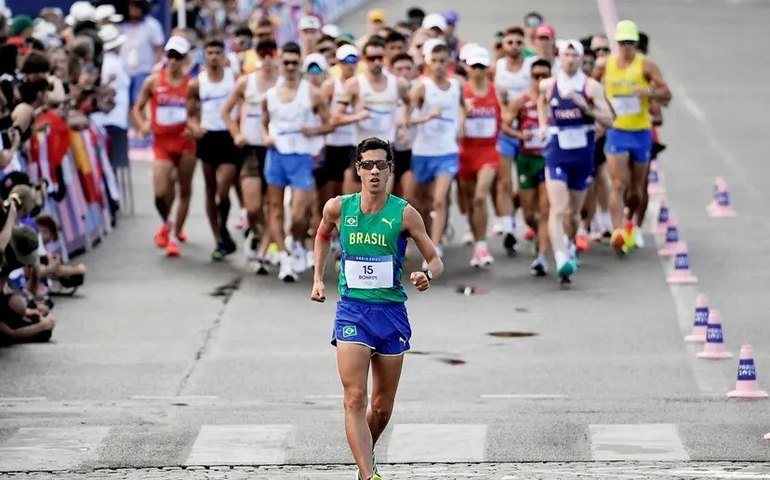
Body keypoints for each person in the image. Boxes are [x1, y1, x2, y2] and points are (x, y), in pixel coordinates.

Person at [311, 137, 443, 480]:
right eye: (367, 165)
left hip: (391, 313)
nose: (374, 172)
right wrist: (318, 278)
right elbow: (322, 235)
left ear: (390, 170)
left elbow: (435, 259)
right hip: (352, 311)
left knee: (381, 407)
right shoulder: (338, 208)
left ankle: (365, 456)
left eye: (380, 165)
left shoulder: (404, 213)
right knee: (354, 397)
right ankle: (368, 475)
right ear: (358, 169)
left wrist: (427, 275)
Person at [537, 40, 612, 286]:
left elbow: (610, 120)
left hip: (582, 156)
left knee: (573, 214)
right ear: (560, 58)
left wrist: (586, 108)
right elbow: (541, 101)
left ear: (581, 59)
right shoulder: (548, 84)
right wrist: (543, 126)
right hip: (557, 154)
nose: (570, 60)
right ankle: (560, 258)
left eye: (574, 55)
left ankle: (569, 244)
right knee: (558, 208)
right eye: (566, 55)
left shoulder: (591, 87)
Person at [596, 20, 671, 253]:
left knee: (636, 190)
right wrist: (599, 109)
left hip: (640, 132)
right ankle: (618, 232)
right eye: (622, 43)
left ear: (636, 43)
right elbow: (590, 87)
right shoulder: (605, 65)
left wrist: (648, 91)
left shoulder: (646, 65)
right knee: (618, 184)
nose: (626, 47)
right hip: (617, 131)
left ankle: (632, 225)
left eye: (630, 42)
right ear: (616, 43)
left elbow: (667, 95)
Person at [263, 41, 332, 282]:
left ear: (300, 63)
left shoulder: (312, 93)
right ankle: (285, 257)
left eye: (294, 62)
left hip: (301, 157)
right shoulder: (271, 94)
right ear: (280, 63)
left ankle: (298, 243)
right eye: (287, 62)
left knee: (299, 214)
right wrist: (266, 137)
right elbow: (264, 122)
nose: (291, 66)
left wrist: (314, 131)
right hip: (276, 156)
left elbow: (329, 123)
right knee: (274, 208)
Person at [132, 35, 197, 257]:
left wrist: (195, 127)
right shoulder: (153, 81)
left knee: (184, 190)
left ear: (185, 58)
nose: (173, 60)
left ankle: (175, 234)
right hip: (162, 143)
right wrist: (142, 125)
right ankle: (167, 223)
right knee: (160, 193)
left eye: (178, 56)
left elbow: (197, 112)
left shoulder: (191, 85)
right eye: (170, 55)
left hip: (185, 142)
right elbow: (137, 108)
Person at [221, 39, 279, 273]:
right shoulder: (246, 82)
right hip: (251, 150)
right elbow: (226, 111)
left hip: (276, 149)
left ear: (276, 55)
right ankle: (258, 233)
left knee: (272, 204)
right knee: (253, 207)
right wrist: (236, 134)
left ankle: (267, 244)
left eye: (271, 53)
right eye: (262, 53)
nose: (267, 58)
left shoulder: (283, 82)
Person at [187, 38, 241, 261]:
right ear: (204, 56)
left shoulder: (233, 78)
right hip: (208, 136)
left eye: (217, 52)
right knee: (210, 190)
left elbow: (244, 104)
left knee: (223, 190)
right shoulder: (197, 83)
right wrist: (194, 127)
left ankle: (224, 225)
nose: (214, 57)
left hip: (228, 135)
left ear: (223, 55)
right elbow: (190, 113)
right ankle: (219, 237)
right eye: (209, 53)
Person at [409, 40, 463, 266]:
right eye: (435, 61)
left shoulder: (456, 85)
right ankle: (427, 237)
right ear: (428, 62)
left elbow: (463, 107)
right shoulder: (422, 87)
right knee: (421, 203)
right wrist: (428, 117)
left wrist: (460, 125)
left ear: (449, 62)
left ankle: (435, 246)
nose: (439, 65)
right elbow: (406, 119)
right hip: (422, 151)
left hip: (447, 151)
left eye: (443, 61)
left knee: (439, 200)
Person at [504, 58, 552, 276]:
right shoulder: (521, 101)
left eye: (544, 75)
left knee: (545, 210)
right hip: (526, 160)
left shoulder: (555, 99)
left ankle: (541, 256)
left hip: (548, 159)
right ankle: (538, 233)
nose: (540, 80)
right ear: (530, 78)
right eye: (536, 76)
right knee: (529, 213)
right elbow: (505, 125)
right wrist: (520, 134)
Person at [491, 26, 535, 255]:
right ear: (504, 45)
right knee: (505, 183)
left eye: (519, 42)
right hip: (506, 131)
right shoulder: (497, 67)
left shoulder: (532, 66)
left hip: (529, 133)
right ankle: (509, 228)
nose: (514, 46)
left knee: (528, 183)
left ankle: (526, 218)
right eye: (510, 42)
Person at [458, 47, 499, 267]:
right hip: (465, 152)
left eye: (482, 66)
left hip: (488, 152)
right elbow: (455, 125)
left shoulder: (496, 90)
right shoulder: (461, 92)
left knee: (481, 197)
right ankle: (477, 244)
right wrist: (464, 112)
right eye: (474, 66)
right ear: (467, 68)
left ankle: (482, 245)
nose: (478, 70)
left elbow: (506, 116)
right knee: (470, 202)